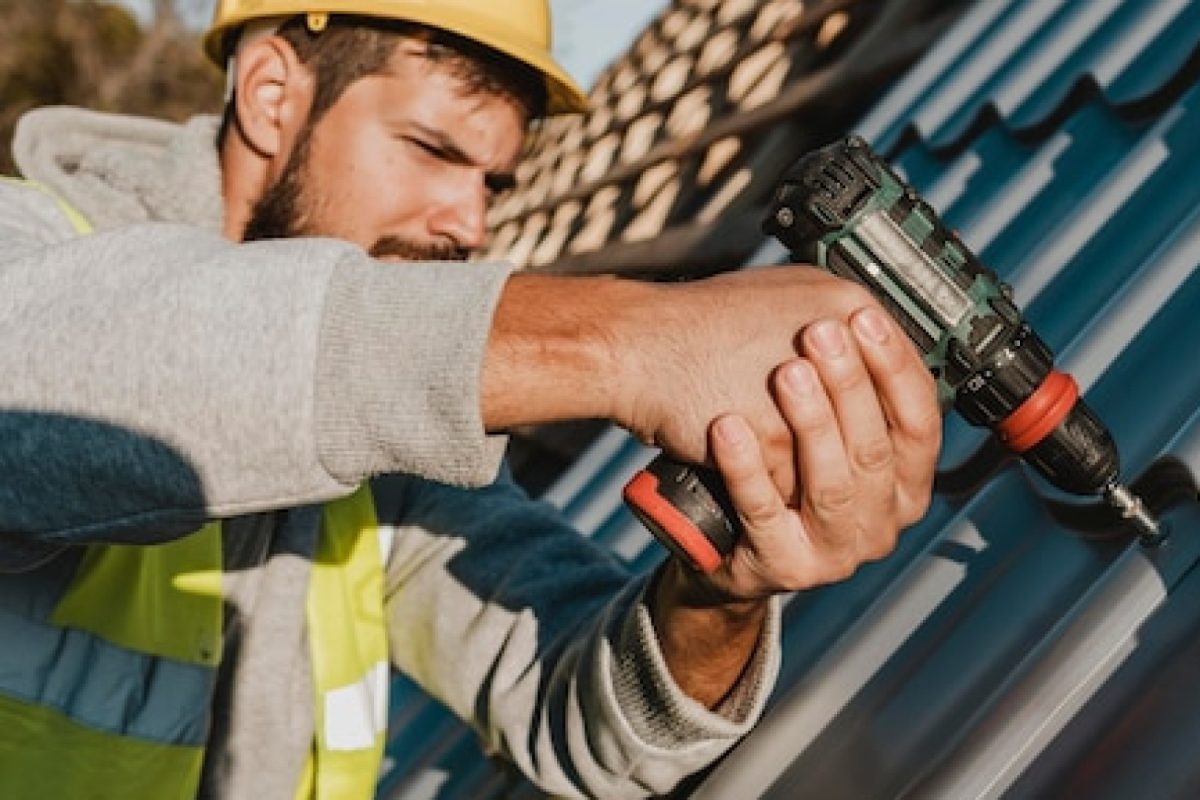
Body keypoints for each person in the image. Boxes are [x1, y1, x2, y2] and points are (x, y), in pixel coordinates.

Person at [0, 1, 941, 797]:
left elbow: (588, 720)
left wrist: (718, 595)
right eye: (431, 149)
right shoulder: (30, 245)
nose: (473, 223)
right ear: (272, 93)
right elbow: (76, 369)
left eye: (493, 181)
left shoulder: (389, 461)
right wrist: (620, 339)